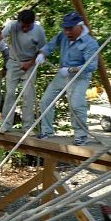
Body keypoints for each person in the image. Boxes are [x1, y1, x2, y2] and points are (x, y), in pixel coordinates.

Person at [36, 12, 98, 146]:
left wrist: (70, 70)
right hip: (62, 74)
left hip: (80, 76)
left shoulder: (90, 43)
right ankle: (47, 131)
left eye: (70, 28)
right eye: (65, 28)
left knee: (76, 104)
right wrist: (42, 54)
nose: (66, 31)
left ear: (79, 26)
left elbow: (91, 66)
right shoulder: (63, 35)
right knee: (46, 101)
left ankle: (81, 135)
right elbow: (51, 44)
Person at [0, 9, 46, 132]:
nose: (25, 29)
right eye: (23, 26)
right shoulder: (12, 26)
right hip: (14, 62)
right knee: (10, 93)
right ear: (19, 21)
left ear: (33, 22)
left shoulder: (38, 31)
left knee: (28, 95)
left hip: (30, 63)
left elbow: (42, 50)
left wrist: (30, 63)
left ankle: (27, 127)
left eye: (28, 26)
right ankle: (6, 124)